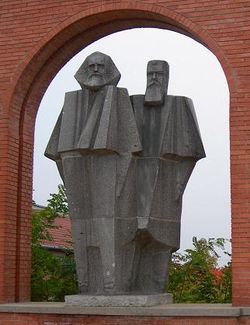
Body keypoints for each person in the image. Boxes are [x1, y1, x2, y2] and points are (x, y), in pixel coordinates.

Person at [45, 52, 141, 294]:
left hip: (108, 160)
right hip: (74, 160)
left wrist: (121, 180)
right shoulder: (72, 100)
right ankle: (85, 283)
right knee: (80, 223)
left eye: (101, 66)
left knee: (108, 223)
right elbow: (56, 149)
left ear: (109, 70)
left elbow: (131, 147)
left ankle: (111, 283)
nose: (96, 70)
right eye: (92, 66)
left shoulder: (118, 96)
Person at [130, 60, 206, 293]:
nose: (154, 78)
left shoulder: (179, 105)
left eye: (159, 74)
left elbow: (191, 153)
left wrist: (176, 185)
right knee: (131, 238)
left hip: (167, 184)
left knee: (161, 242)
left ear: (167, 77)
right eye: (150, 73)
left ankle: (155, 289)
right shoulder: (131, 104)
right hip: (133, 186)